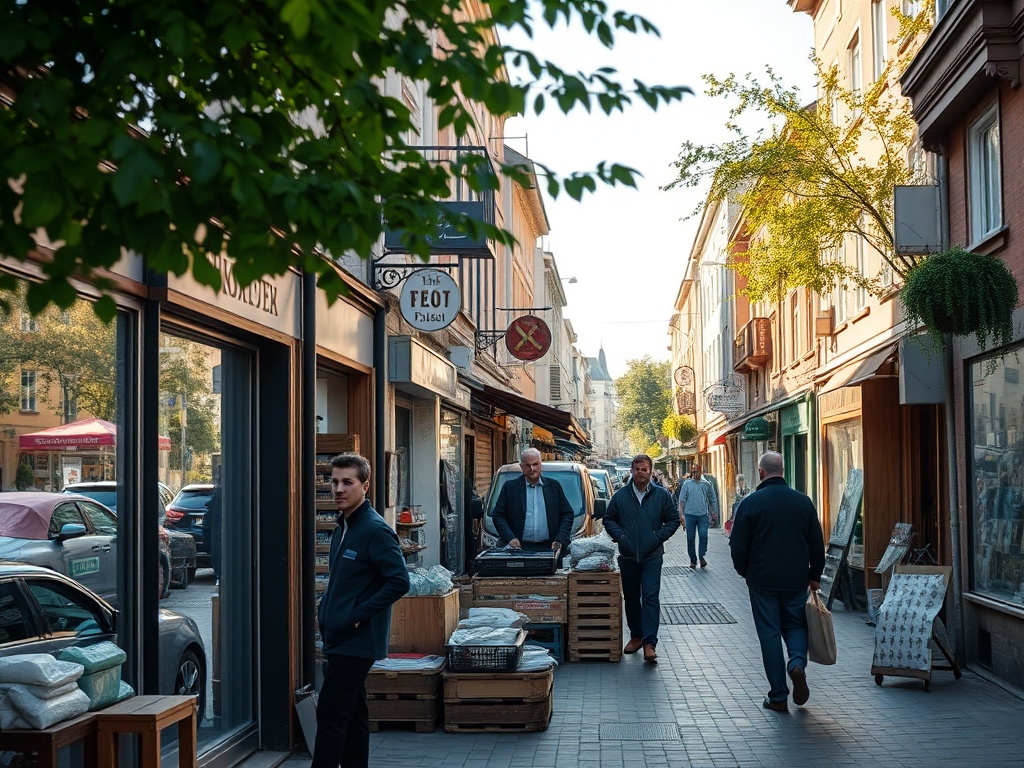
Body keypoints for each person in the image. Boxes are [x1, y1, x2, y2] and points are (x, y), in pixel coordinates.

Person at [313, 453, 410, 768]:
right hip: (339, 637)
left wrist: (356, 615)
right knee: (353, 715)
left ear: (365, 486)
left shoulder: (374, 529)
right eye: (334, 482)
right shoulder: (343, 526)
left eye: (347, 482)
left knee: (330, 713)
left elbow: (399, 581)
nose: (338, 489)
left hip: (356, 640)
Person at [729, 451, 825, 713]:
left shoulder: (750, 503)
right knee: (796, 625)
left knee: (769, 633)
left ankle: (779, 696)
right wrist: (815, 575)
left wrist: (744, 572)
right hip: (795, 578)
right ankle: (796, 663)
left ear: (761, 472)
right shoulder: (803, 502)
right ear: (783, 471)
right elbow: (816, 543)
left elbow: (737, 545)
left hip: (762, 580)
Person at [603, 454, 680, 663]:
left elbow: (673, 520)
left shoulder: (662, 495)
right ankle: (636, 636)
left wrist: (656, 538)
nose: (640, 472)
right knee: (631, 597)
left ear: (650, 471)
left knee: (650, 596)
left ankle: (649, 643)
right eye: (637, 469)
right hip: (628, 555)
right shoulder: (620, 496)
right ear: (631, 470)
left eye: (644, 469)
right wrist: (621, 537)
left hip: (652, 556)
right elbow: (608, 519)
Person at [491, 448, 574, 555]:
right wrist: (510, 538)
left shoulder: (553, 487)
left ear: (540, 464)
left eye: (535, 464)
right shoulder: (510, 488)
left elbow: (567, 514)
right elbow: (498, 515)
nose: (532, 469)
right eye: (527, 465)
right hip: (518, 549)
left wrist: (560, 539)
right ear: (521, 466)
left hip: (549, 548)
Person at [678, 463, 719, 569]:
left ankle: (701, 556)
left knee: (703, 536)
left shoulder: (706, 484)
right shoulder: (687, 484)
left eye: (696, 471)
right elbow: (682, 500)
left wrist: (715, 512)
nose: (694, 473)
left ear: (701, 472)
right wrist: (681, 515)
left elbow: (713, 498)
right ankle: (693, 560)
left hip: (703, 515)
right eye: (693, 471)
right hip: (689, 515)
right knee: (690, 538)